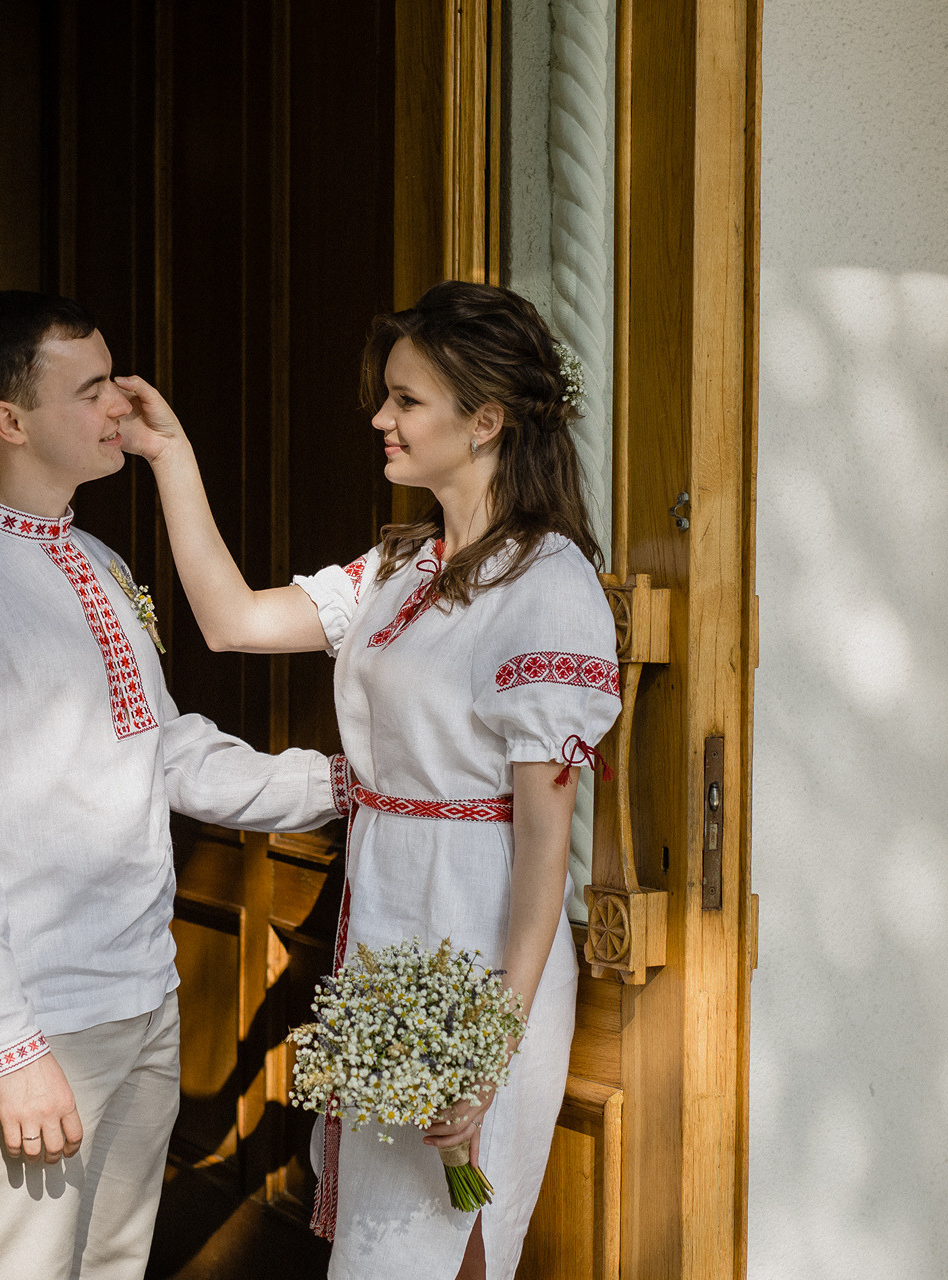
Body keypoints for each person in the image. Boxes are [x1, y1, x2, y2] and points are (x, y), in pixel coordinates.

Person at [119, 280, 623, 1280]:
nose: (380, 418)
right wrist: (172, 457)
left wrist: (487, 1047)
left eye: (406, 400)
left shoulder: (549, 585)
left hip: (475, 936)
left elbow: (542, 847)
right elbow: (232, 620)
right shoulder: (400, 566)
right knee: (377, 1246)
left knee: (444, 1239)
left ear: (487, 422)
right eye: (386, 396)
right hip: (385, 923)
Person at [0, 291, 344, 1280]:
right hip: (37, 1022)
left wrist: (344, 782)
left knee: (116, 1265)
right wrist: (7, 1050)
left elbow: (164, 751)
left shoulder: (97, 560)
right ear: (10, 419)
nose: (119, 408)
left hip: (139, 998)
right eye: (91, 391)